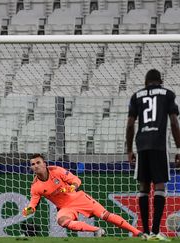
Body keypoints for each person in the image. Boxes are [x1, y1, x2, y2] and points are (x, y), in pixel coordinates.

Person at [22, 153, 142, 237]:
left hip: (78, 198)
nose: (36, 166)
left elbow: (76, 180)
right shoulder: (35, 186)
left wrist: (71, 187)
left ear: (44, 164)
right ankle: (97, 230)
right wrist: (29, 209)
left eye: (38, 162)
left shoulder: (56, 170)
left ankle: (137, 233)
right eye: (33, 164)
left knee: (105, 215)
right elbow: (33, 204)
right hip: (66, 207)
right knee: (62, 221)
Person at [126, 69, 180, 241]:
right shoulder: (168, 94)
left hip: (141, 144)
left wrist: (129, 150)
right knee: (159, 186)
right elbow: (173, 121)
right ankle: (156, 232)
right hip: (159, 144)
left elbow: (129, 124)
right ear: (160, 80)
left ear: (145, 81)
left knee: (143, 187)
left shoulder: (137, 96)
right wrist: (179, 149)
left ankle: (146, 232)